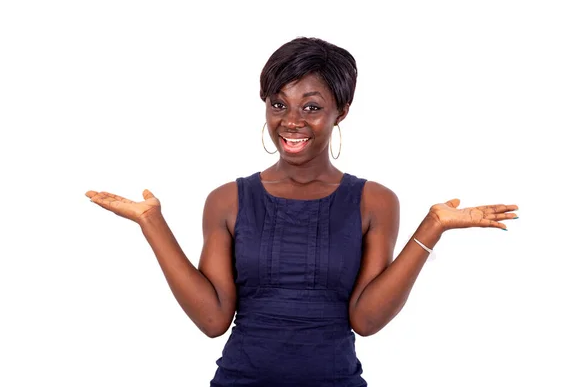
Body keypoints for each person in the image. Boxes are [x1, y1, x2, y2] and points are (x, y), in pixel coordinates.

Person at [85, 37, 519, 386]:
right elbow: (213, 318)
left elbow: (366, 321)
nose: (291, 121)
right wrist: (152, 223)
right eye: (279, 104)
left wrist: (434, 226)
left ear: (341, 112)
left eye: (311, 107)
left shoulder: (374, 201)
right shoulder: (227, 200)